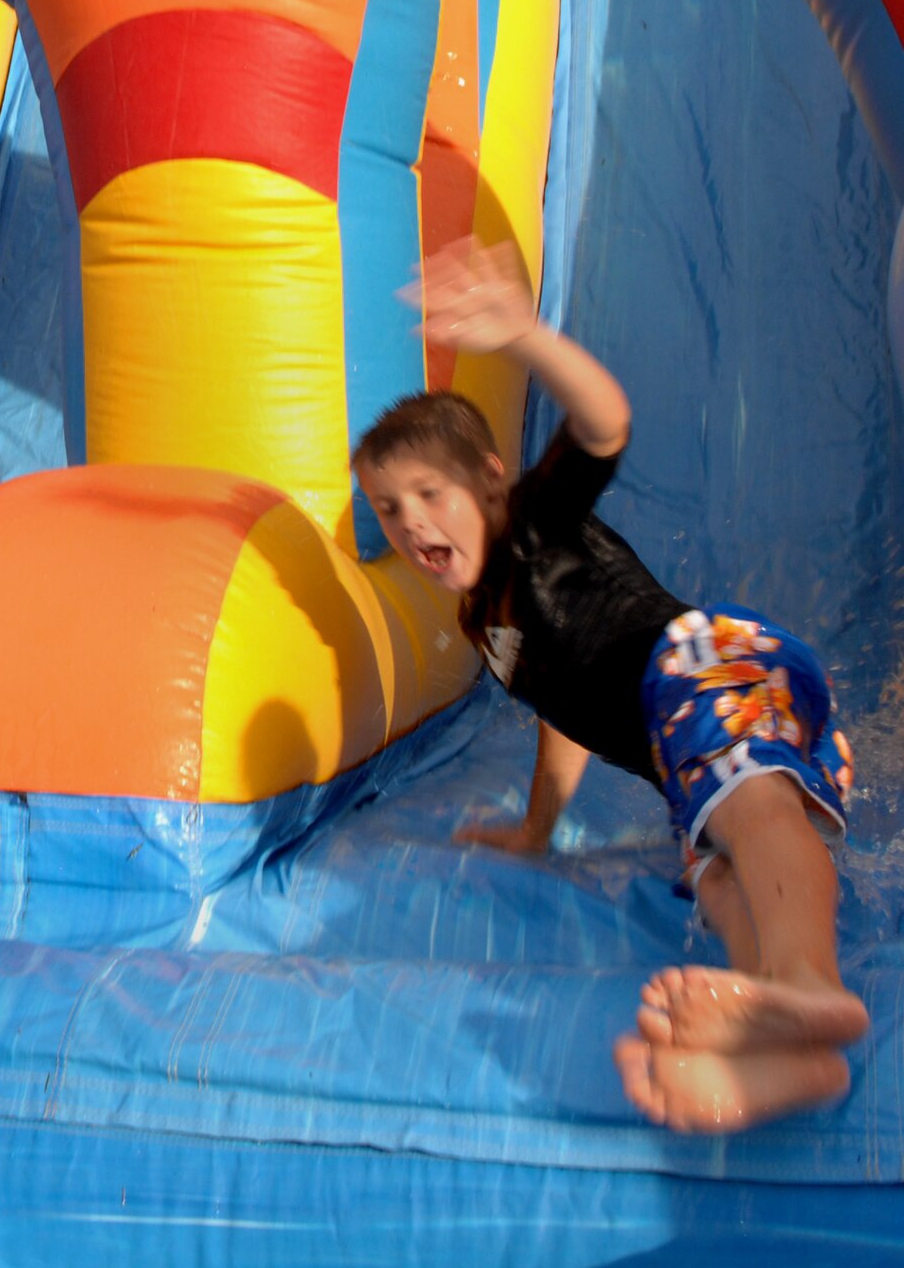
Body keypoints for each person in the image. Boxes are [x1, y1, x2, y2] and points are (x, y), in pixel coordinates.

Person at [352, 237, 867, 1134]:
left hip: (711, 665)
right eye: (389, 509)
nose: (410, 523)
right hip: (697, 763)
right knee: (711, 875)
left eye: (429, 493)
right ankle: (788, 1049)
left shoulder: (532, 526)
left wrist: (522, 338)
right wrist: (536, 827)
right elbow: (568, 717)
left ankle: (806, 987)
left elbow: (603, 422)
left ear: (488, 481)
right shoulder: (487, 624)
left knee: (744, 807)